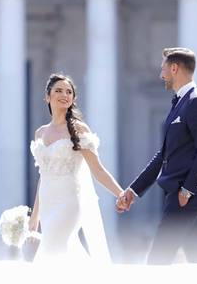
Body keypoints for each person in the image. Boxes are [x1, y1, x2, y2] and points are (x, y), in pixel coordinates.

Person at [117, 47, 197, 264]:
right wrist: (133, 191)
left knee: (158, 259)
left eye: (162, 68)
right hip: (184, 194)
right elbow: (162, 156)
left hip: (186, 194)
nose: (160, 74)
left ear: (174, 68)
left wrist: (188, 189)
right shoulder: (180, 103)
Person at [27, 73, 122, 263]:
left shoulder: (78, 129)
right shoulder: (40, 132)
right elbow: (43, 177)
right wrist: (34, 217)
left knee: (55, 248)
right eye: (59, 90)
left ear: (73, 99)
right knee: (59, 250)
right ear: (47, 96)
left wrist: (121, 193)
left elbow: (98, 170)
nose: (64, 94)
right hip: (48, 203)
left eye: (69, 92)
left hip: (69, 202)